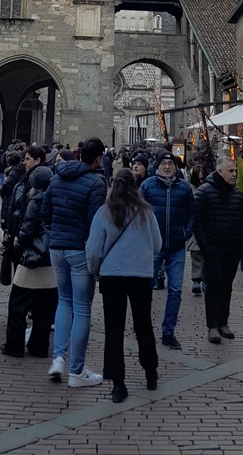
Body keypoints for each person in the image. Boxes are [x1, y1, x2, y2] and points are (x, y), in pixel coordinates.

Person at [86, 169, 160, 404]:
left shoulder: (105, 212)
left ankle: (118, 384)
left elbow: (94, 249)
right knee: (143, 325)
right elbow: (157, 244)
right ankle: (151, 372)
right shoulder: (146, 212)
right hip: (140, 275)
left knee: (114, 330)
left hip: (113, 276)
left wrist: (95, 270)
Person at [41, 136, 106, 388]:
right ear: (98, 158)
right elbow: (95, 223)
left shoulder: (56, 177)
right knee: (82, 308)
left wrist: (55, 231)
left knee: (63, 300)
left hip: (56, 247)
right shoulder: (96, 183)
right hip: (79, 250)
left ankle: (58, 358)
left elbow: (46, 212)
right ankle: (76, 372)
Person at [1, 166, 58, 358]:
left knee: (17, 305)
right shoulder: (56, 198)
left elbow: (28, 229)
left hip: (32, 258)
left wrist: (16, 247)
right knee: (44, 309)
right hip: (50, 260)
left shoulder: (36, 200)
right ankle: (39, 346)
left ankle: (14, 345)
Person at [139, 151, 194, 351]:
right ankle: (143, 328)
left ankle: (168, 332)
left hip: (176, 247)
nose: (168, 166)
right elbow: (138, 212)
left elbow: (191, 213)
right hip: (153, 247)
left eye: (171, 163)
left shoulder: (184, 188)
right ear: (158, 165)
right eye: (164, 163)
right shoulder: (147, 186)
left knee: (175, 290)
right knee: (145, 289)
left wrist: (186, 233)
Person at [193, 156, 243, 344]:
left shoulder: (238, 194)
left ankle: (224, 322)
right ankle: (213, 326)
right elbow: (197, 222)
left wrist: (242, 243)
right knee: (214, 286)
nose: (234, 174)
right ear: (219, 172)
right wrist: (205, 245)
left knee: (227, 286)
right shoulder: (204, 192)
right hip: (213, 247)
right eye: (230, 171)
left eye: (235, 171)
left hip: (232, 248)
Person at [187, 165, 206, 295]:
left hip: (206, 227)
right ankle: (196, 280)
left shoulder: (208, 190)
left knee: (206, 256)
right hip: (195, 227)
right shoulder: (190, 191)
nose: (201, 181)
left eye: (202, 179)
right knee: (196, 255)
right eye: (199, 179)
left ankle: (204, 279)